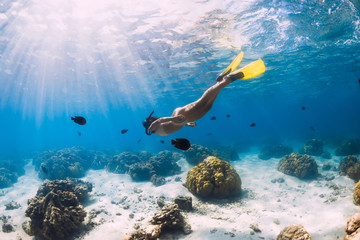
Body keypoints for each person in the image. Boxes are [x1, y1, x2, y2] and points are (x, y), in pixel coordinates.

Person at [142, 52, 265, 136]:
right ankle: (221, 80)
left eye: (151, 120)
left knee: (203, 101)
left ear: (148, 123)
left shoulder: (151, 129)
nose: (153, 120)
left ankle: (228, 79)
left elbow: (160, 121)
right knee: (207, 106)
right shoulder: (155, 129)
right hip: (183, 119)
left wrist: (174, 118)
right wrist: (188, 124)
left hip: (179, 116)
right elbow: (167, 124)